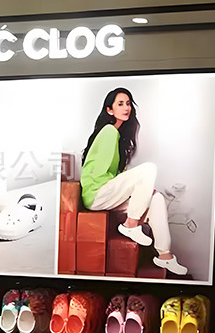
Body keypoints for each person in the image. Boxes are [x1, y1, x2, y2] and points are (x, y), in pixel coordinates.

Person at [80, 88, 187, 276]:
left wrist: (140, 193)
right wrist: (130, 190)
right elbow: (98, 174)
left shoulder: (118, 135)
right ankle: (131, 224)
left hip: (107, 193)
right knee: (148, 169)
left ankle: (164, 255)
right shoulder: (108, 132)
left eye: (128, 103)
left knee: (157, 198)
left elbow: (116, 175)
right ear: (109, 110)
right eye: (120, 104)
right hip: (96, 192)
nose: (126, 108)